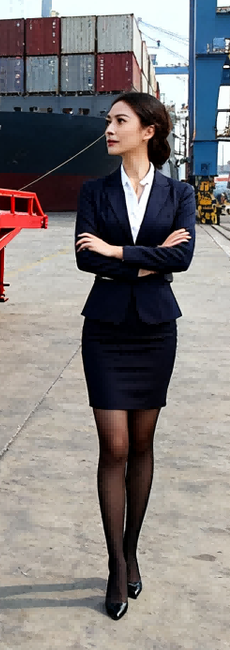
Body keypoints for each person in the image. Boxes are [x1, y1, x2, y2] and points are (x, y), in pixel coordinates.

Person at [75, 91, 195, 621]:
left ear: (148, 130)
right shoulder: (94, 191)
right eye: (108, 121)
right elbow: (85, 257)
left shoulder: (179, 193)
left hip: (155, 330)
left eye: (119, 121)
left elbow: (182, 257)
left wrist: (118, 252)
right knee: (115, 446)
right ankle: (115, 565)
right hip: (104, 330)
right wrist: (150, 260)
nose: (109, 128)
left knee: (143, 443)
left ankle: (132, 550)